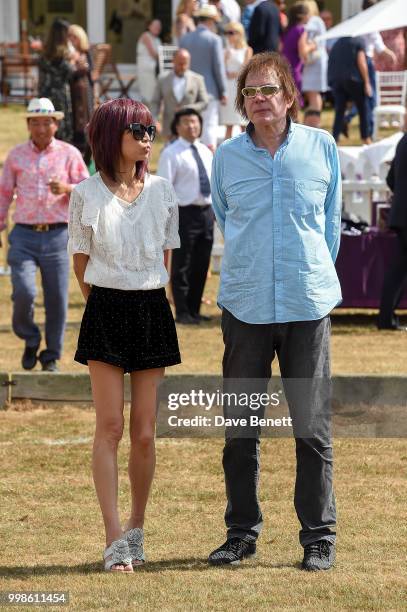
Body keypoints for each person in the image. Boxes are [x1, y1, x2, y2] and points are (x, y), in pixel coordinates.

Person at [208, 52, 341, 570]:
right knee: (241, 428)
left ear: (289, 96)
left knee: (312, 428)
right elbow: (225, 216)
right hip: (245, 305)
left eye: (268, 90)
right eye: (250, 93)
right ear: (242, 102)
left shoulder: (322, 148)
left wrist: (307, 275)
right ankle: (241, 533)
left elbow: (329, 228)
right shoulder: (226, 157)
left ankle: (319, 537)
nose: (259, 100)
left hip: (307, 305)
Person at [68, 98, 181, 572]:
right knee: (110, 427)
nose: (147, 135)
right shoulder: (85, 194)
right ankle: (113, 537)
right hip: (107, 308)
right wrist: (108, 302)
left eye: (150, 128)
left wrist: (145, 293)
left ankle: (136, 527)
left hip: (152, 306)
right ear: (112, 132)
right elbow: (81, 262)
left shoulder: (162, 191)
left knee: (145, 433)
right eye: (137, 128)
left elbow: (165, 259)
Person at [0, 98, 89, 371]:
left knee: (57, 298)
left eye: (47, 123)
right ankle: (29, 337)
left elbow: (88, 188)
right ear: (28, 124)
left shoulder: (69, 153)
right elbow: (4, 193)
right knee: (24, 292)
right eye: (35, 123)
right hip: (23, 235)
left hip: (58, 234)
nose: (41, 128)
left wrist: (67, 188)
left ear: (56, 124)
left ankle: (51, 355)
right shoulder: (15, 156)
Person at [157, 108, 214, 325]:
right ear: (177, 127)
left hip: (206, 212)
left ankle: (194, 308)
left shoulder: (206, 151)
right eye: (186, 122)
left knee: (201, 263)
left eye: (195, 121)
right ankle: (181, 311)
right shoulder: (171, 153)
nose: (192, 126)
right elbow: (164, 187)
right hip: (184, 213)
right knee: (182, 263)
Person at [343, 0, 396, 139]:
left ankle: (349, 118)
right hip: (366, 61)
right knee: (371, 99)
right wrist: (391, 55)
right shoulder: (370, 23)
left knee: (362, 98)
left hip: (353, 62)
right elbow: (379, 47)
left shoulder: (357, 19)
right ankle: (369, 133)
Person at [180, 4, 228, 149]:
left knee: (190, 124)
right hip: (210, 90)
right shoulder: (214, 40)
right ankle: (209, 159)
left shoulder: (185, 39)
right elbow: (218, 67)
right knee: (209, 125)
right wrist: (223, 91)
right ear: (211, 21)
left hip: (188, 89)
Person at [378, 131, 407, 331]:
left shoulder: (403, 140)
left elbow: (390, 179)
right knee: (399, 270)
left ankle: (387, 318)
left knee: (399, 269)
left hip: (401, 213)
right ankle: (386, 319)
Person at [150, 48, 209, 140]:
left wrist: (187, 108)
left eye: (185, 63)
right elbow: (155, 102)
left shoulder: (197, 79)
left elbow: (204, 102)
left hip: (191, 129)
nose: (183, 66)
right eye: (180, 63)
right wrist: (154, 120)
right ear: (173, 61)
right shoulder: (163, 79)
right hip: (169, 128)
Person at [38, 18, 77, 143]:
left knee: (46, 122)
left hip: (45, 93)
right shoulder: (63, 53)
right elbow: (70, 72)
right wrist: (74, 61)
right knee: (60, 128)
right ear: (63, 34)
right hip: (60, 95)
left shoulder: (45, 51)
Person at [328, 36, 372, 144]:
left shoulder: (337, 42)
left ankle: (335, 139)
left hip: (336, 80)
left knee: (339, 110)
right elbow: (361, 62)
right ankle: (366, 138)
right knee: (363, 108)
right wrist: (367, 82)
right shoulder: (358, 41)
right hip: (353, 79)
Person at [220, 22, 253, 139]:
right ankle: (226, 150)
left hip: (240, 86)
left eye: (231, 33)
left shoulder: (247, 50)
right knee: (229, 123)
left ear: (239, 34)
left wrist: (235, 74)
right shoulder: (226, 50)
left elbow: (246, 68)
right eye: (227, 33)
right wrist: (226, 57)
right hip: (228, 86)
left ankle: (246, 147)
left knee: (242, 122)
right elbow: (220, 68)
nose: (228, 36)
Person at [68, 24, 94, 163]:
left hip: (85, 91)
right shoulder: (67, 54)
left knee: (87, 120)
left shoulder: (86, 52)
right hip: (73, 91)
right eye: (69, 37)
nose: (72, 39)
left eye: (74, 36)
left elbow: (90, 71)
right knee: (76, 122)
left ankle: (87, 154)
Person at [281, 2, 316, 106]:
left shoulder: (287, 30)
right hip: (295, 68)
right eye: (309, 14)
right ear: (303, 16)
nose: (310, 17)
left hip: (284, 66)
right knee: (295, 102)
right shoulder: (301, 29)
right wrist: (312, 46)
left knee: (286, 100)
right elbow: (303, 51)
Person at [301, 0, 328, 118]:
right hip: (313, 60)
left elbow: (303, 30)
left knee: (314, 91)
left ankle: (314, 119)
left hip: (316, 60)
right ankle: (314, 117)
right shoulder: (316, 21)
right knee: (312, 92)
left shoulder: (315, 20)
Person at [136, 19, 162, 107]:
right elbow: (153, 54)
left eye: (159, 26)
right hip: (146, 67)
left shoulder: (157, 39)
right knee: (148, 92)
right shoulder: (146, 36)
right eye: (155, 26)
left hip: (154, 67)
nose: (157, 28)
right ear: (149, 26)